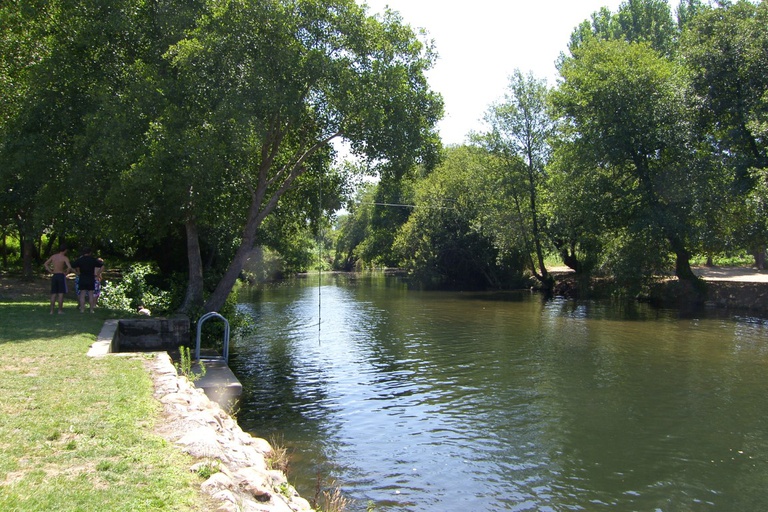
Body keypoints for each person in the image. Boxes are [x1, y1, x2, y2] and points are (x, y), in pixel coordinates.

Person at [71, 247, 104, 313]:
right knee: (91, 294)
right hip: (90, 278)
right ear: (90, 253)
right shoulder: (93, 260)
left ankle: (82, 309)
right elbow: (102, 265)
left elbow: (72, 266)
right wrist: (98, 273)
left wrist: (77, 273)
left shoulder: (80, 260)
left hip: (82, 277)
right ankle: (91, 310)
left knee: (82, 294)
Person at [44, 244, 73, 314]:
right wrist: (66, 273)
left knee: (53, 294)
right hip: (60, 275)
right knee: (60, 294)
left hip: (55, 275)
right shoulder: (64, 258)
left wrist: (50, 270)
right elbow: (69, 267)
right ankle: (60, 310)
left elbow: (45, 264)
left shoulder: (53, 256)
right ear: (65, 250)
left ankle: (51, 311)